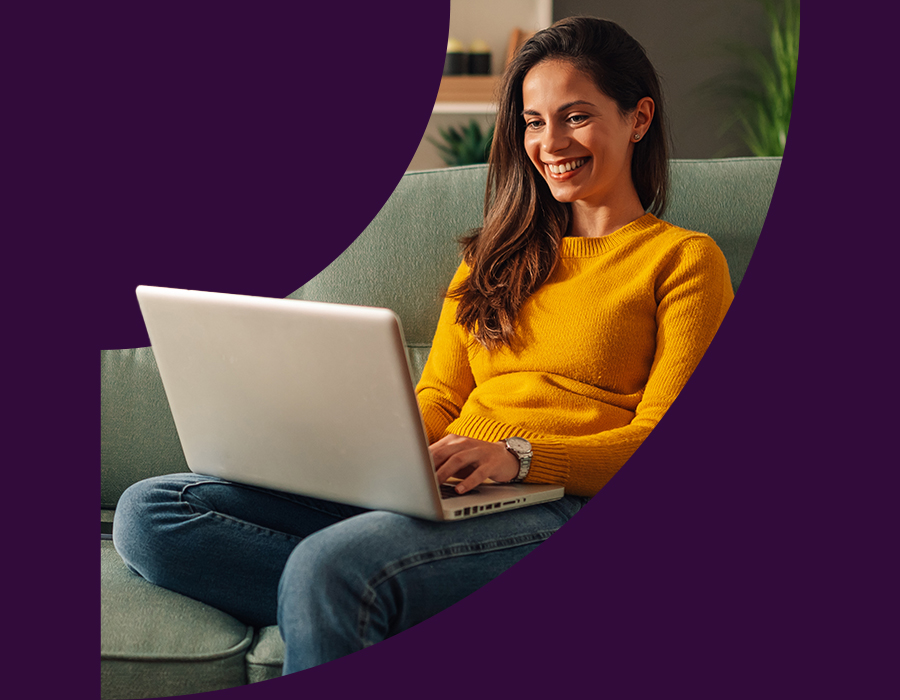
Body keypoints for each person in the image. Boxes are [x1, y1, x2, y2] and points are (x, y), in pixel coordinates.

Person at [112, 16, 733, 674]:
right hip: (447, 485)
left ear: (638, 118)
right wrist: (374, 457)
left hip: (560, 502)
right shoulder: (494, 260)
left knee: (331, 568)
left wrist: (516, 458)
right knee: (154, 512)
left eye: (575, 117)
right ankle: (363, 596)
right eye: (532, 121)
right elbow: (439, 394)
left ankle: (348, 589)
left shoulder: (683, 261)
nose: (550, 143)